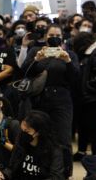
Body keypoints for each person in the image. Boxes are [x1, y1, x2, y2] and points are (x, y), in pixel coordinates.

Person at [21, 24, 80, 177]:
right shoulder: (35, 50)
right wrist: (36, 60)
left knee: (63, 138)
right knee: (39, 136)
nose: (54, 37)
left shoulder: (70, 54)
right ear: (45, 37)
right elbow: (24, 73)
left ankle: (66, 173)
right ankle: (41, 171)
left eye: (57, 35)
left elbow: (75, 79)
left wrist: (67, 61)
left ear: (62, 37)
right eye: (50, 35)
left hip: (62, 100)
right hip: (39, 99)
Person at [71, 32, 96, 160]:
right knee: (83, 125)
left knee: (94, 126)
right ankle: (82, 151)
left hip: (95, 97)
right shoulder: (89, 53)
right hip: (85, 97)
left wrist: (87, 88)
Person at [0, 110, 64, 180]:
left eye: (27, 131)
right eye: (22, 129)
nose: (23, 133)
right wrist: (3, 175)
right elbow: (12, 168)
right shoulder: (20, 142)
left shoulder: (54, 150)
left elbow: (56, 177)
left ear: (38, 132)